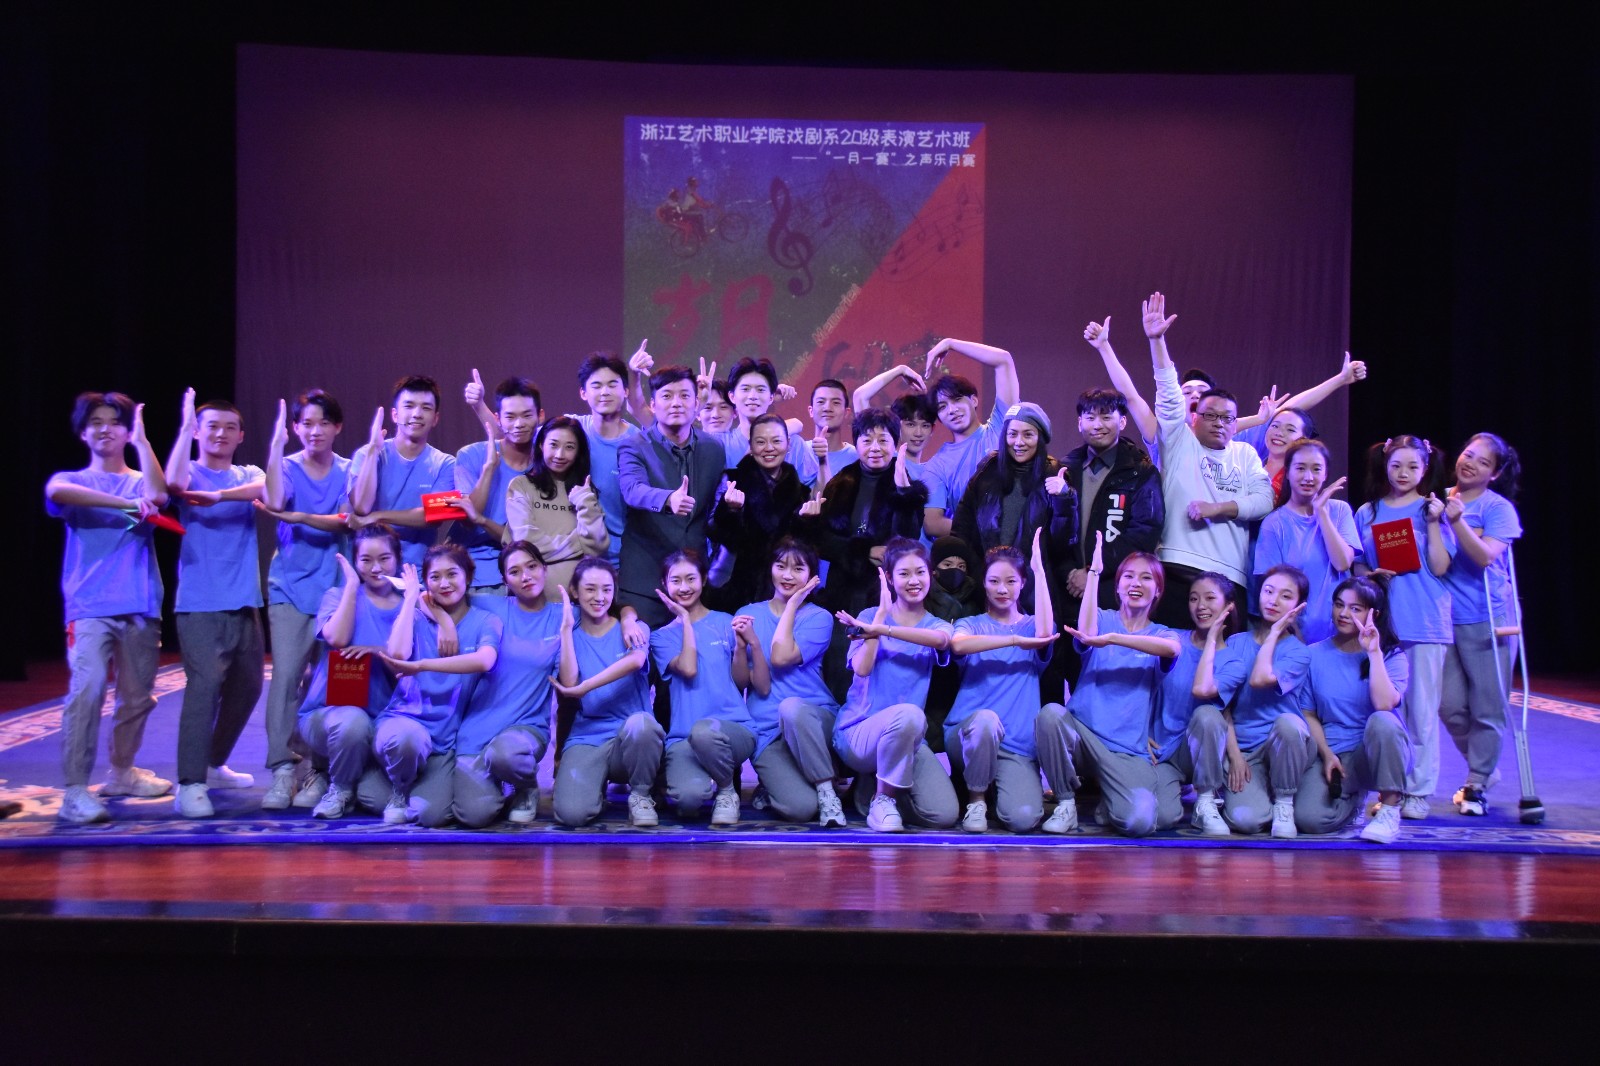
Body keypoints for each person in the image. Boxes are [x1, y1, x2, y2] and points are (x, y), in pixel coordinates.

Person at [45, 392, 170, 823]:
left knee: (136, 697)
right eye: (95, 422)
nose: (105, 429)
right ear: (83, 432)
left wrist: (142, 441)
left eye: (115, 422)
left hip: (141, 603)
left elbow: (158, 494)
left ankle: (122, 772)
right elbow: (57, 492)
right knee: (88, 688)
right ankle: (75, 790)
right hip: (89, 605)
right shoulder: (72, 479)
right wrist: (125, 504)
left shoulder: (140, 481)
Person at [1135, 293, 1273, 627]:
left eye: (1227, 418)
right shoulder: (1179, 442)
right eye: (1209, 415)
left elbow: (1264, 500)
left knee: (1222, 658)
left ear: (1236, 424)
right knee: (1172, 653)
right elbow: (1168, 394)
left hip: (1229, 575)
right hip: (1176, 566)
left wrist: (1217, 508)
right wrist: (1157, 341)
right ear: (1194, 416)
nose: (1219, 423)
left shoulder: (1245, 454)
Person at [164, 391, 267, 818]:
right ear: (197, 432)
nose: (221, 433)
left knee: (249, 687)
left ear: (241, 435)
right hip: (200, 601)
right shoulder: (188, 470)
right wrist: (184, 426)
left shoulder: (246, 474)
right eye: (211, 426)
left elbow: (267, 488)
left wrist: (220, 496)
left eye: (229, 427)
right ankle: (189, 783)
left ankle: (213, 761)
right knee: (204, 687)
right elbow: (172, 484)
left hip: (245, 600)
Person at [1038, 539, 1180, 836]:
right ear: (1117, 586)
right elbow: (1087, 632)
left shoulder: (1162, 633)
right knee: (1050, 715)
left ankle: (1109, 799)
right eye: (1128, 576)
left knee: (1140, 822)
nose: (1136, 583)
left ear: (1158, 590)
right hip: (1083, 734)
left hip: (1125, 749)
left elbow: (1171, 650)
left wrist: (1115, 639)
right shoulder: (1102, 619)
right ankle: (1066, 803)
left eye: (1146, 578)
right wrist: (1094, 573)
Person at [1353, 435, 1455, 820]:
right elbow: (1357, 564)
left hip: (1425, 620)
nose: (1403, 473)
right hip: (1382, 625)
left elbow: (1441, 566)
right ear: (1385, 464)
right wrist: (1370, 573)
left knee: (1422, 712)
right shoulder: (1368, 512)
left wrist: (1434, 523)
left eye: (1413, 466)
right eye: (1396, 465)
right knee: (1382, 710)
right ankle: (1389, 788)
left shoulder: (1433, 509)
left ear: (1425, 469)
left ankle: (1418, 791)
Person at [258, 390, 351, 809]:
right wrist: (275, 447)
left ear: (337, 427)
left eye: (324, 423)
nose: (315, 431)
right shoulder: (286, 466)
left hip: (335, 590)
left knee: (330, 682)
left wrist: (300, 517)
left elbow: (347, 519)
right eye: (307, 423)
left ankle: (320, 769)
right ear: (296, 427)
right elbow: (275, 503)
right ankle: (282, 768)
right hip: (290, 588)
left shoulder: (348, 470)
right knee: (286, 679)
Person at [368, 544, 502, 827]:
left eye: (452, 574)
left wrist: (424, 662)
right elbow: (398, 654)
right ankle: (399, 787)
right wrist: (410, 599)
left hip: (445, 738)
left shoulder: (485, 620)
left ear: (468, 576)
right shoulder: (415, 617)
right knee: (407, 741)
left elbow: (485, 660)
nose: (444, 583)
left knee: (432, 815)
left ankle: (392, 782)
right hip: (404, 723)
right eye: (435, 577)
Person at [831, 539, 960, 831]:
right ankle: (883, 799)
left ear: (930, 574)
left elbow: (942, 641)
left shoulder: (937, 625)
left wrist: (883, 629)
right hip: (858, 732)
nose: (914, 581)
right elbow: (862, 669)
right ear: (889, 578)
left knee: (943, 815)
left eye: (920, 572)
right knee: (910, 714)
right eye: (904, 574)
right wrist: (878, 621)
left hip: (908, 736)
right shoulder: (868, 617)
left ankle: (873, 789)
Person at [801, 407, 928, 699]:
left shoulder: (906, 483)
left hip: (884, 591)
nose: (875, 448)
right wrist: (861, 550)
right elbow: (823, 539)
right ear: (856, 443)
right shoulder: (841, 481)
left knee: (880, 662)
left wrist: (904, 493)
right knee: (839, 662)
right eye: (867, 440)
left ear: (895, 444)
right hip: (842, 588)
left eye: (883, 440)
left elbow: (908, 540)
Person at [945, 534, 1063, 832]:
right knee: (986, 720)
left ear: (1023, 583)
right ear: (984, 583)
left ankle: (1001, 791)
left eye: (1011, 581)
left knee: (1023, 818)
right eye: (994, 581)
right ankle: (977, 800)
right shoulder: (971, 624)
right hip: (969, 734)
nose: (1002, 589)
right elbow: (958, 645)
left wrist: (1039, 571)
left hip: (1016, 744)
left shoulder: (1032, 626)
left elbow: (1045, 634)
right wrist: (1012, 640)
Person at [293, 524, 406, 819]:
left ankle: (356, 778)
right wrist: (353, 587)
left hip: (384, 721)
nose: (376, 568)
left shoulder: (409, 605)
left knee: (377, 800)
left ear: (397, 559)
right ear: (355, 562)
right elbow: (338, 638)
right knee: (353, 722)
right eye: (366, 560)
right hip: (330, 715)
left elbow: (408, 662)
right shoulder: (337, 596)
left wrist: (376, 651)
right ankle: (340, 788)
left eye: (384, 558)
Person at [1291, 576, 1413, 843]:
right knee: (1309, 819)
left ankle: (1390, 809)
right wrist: (1326, 754)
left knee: (1383, 720)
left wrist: (1374, 653)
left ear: (1373, 614)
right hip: (1335, 753)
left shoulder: (1392, 656)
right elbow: (1308, 714)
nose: (1344, 613)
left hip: (1376, 752)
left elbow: (1384, 704)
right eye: (1339, 605)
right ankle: (1354, 801)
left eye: (1355, 608)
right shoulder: (1314, 654)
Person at [448, 542, 562, 828]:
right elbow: (434, 595)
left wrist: (628, 619)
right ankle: (497, 785)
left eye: (532, 567)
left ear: (544, 569)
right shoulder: (491, 606)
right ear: (505, 580)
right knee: (474, 815)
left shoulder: (563, 615)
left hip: (525, 728)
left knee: (505, 755)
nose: (526, 576)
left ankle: (525, 787)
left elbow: (610, 610)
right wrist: (445, 623)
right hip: (478, 729)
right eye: (515, 571)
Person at [1439, 433, 1523, 816]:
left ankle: (1475, 783)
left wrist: (1457, 521)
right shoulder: (1437, 498)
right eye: (1469, 454)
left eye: (1483, 462)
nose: (1471, 463)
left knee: (1488, 707)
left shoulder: (1497, 508)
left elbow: (1486, 556)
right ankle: (1484, 767)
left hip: (1488, 617)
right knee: (1449, 707)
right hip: (1443, 618)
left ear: (1496, 473)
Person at [737, 538, 847, 826]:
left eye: (798, 569)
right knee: (801, 809)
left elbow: (781, 656)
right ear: (770, 569)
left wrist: (793, 604)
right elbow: (743, 681)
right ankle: (777, 785)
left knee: (791, 709)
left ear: (812, 576)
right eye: (781, 566)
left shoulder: (819, 617)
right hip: (766, 727)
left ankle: (826, 790)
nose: (788, 575)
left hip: (812, 718)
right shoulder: (749, 614)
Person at [1198, 565, 1315, 838]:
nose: (1274, 600)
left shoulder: (1299, 652)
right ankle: (1258, 797)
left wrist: (1274, 634)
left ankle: (1284, 802)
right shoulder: (1235, 643)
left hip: (1286, 745)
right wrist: (1235, 756)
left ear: (1298, 606)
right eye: (1268, 591)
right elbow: (1224, 707)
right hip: (1247, 749)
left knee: (1288, 724)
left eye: (1286, 596)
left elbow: (1260, 679)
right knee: (1246, 821)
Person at [550, 558, 663, 827]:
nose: (599, 597)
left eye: (607, 589)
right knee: (571, 814)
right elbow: (569, 681)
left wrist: (587, 686)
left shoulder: (634, 628)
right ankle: (595, 791)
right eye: (590, 589)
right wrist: (566, 629)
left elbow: (635, 660)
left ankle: (641, 795)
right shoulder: (569, 636)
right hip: (588, 736)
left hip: (631, 737)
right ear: (575, 591)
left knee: (643, 725)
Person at [616, 364, 726, 631]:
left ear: (697, 403)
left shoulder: (713, 448)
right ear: (653, 405)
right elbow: (632, 489)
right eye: (667, 396)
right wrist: (668, 500)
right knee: (642, 653)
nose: (676, 403)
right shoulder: (634, 446)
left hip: (695, 582)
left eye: (685, 395)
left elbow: (714, 508)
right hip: (645, 581)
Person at [649, 550, 756, 824]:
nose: (684, 587)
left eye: (691, 578)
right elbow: (688, 668)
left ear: (704, 579)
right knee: (688, 801)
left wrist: (740, 647)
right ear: (664, 585)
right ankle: (706, 781)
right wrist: (685, 620)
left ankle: (727, 790)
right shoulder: (660, 637)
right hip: (684, 736)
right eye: (675, 581)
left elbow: (742, 682)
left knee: (705, 732)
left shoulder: (725, 622)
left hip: (733, 727)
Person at [951, 401, 1078, 614]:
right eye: (1012, 434)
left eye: (1028, 435)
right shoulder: (987, 470)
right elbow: (963, 526)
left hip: (1033, 592)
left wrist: (1064, 498)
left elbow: (1062, 545)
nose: (1019, 442)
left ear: (1040, 438)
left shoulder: (1055, 474)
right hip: (985, 586)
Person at [1058, 388, 1164, 613]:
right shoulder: (1064, 469)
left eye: (1106, 417)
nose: (1097, 425)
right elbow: (1053, 531)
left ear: (1123, 421)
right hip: (1067, 589)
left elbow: (1144, 533)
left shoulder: (1141, 471)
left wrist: (1093, 571)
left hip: (1115, 594)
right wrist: (1069, 572)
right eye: (1090, 418)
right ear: (1079, 423)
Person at [1151, 572, 1236, 835]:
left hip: (1201, 750)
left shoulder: (1233, 661)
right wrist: (1138, 733)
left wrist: (1211, 640)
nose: (1200, 606)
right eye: (1194, 598)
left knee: (1208, 715)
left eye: (1210, 598)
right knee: (1161, 818)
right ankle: (1179, 788)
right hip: (1163, 751)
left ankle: (1206, 800)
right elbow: (1141, 689)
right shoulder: (1171, 639)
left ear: (1228, 606)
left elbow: (1202, 690)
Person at [1253, 438, 1359, 644]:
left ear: (1325, 474)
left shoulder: (1340, 511)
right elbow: (1271, 590)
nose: (1308, 477)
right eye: (1300, 468)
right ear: (1288, 472)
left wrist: (1321, 512)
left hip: (1340, 634)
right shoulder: (1274, 524)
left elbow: (1342, 563)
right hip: (1294, 636)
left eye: (1316, 469)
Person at [918, 337, 1022, 538]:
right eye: (942, 407)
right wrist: (985, 531)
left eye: (957, 400)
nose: (952, 410)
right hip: (972, 550)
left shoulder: (1000, 428)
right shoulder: (937, 466)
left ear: (974, 400)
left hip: (1018, 545)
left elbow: (1003, 360)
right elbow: (932, 523)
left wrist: (950, 343)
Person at [350, 375, 457, 569]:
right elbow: (361, 507)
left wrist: (378, 516)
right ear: (395, 414)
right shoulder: (367, 454)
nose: (417, 414)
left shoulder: (446, 464)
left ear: (435, 418)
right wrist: (373, 450)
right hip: (372, 571)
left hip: (418, 571)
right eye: (409, 406)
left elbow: (434, 516)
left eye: (426, 408)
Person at [706, 413, 809, 611]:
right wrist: (731, 511)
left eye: (776, 441)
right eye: (760, 442)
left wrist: (807, 522)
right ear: (751, 447)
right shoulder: (732, 479)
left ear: (788, 444)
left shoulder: (800, 491)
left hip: (782, 586)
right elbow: (712, 530)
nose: (769, 448)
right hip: (733, 583)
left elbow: (803, 546)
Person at [454, 375, 543, 592]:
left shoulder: (548, 460)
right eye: (510, 417)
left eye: (527, 415)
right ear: (498, 419)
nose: (519, 424)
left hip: (532, 568)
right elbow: (469, 520)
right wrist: (488, 469)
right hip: (480, 569)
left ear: (540, 416)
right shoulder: (471, 455)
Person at [505, 415, 608, 592]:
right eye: (553, 445)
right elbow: (526, 545)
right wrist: (580, 542)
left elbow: (597, 547)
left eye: (569, 447)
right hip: (532, 599)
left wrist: (584, 501)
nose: (560, 455)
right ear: (541, 445)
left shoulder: (584, 492)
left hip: (580, 598)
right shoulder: (521, 485)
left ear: (578, 452)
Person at [808, 379, 857, 482]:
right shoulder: (799, 450)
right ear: (811, 411)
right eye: (821, 402)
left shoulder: (857, 457)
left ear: (846, 413)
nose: (827, 408)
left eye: (836, 403)